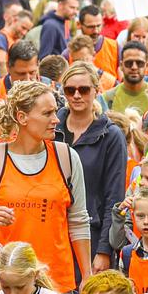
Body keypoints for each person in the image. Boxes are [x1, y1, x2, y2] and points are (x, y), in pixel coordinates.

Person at [0, 80, 91, 294]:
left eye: (55, 112)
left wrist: (87, 276)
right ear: (22, 117)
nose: (55, 120)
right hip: (7, 285)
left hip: (58, 284)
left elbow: (78, 220)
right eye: (47, 113)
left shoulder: (66, 157)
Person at [55, 63, 127, 275]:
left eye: (84, 90)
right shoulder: (52, 129)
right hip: (54, 233)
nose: (77, 95)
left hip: (91, 234)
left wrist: (105, 249)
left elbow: (114, 197)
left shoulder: (111, 135)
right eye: (70, 90)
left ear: (96, 90)